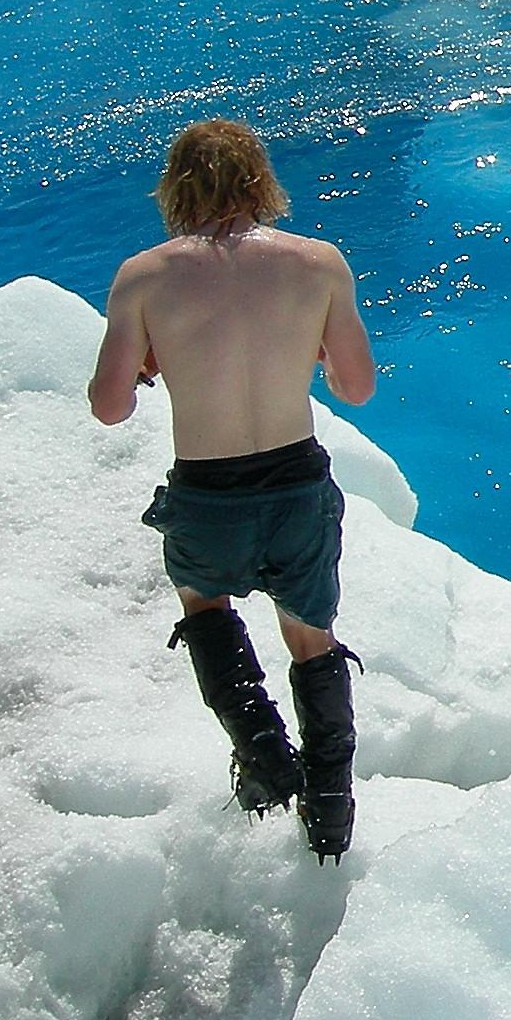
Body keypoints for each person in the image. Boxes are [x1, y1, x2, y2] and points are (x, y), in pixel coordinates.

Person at [87, 120, 376, 861]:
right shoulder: (318, 265)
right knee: (310, 636)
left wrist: (153, 363)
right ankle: (331, 814)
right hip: (296, 486)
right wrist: (310, 353)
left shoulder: (143, 277)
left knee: (203, 605)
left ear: (177, 190)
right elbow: (357, 387)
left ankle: (265, 759)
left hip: (208, 493)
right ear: (260, 183)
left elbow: (110, 406)